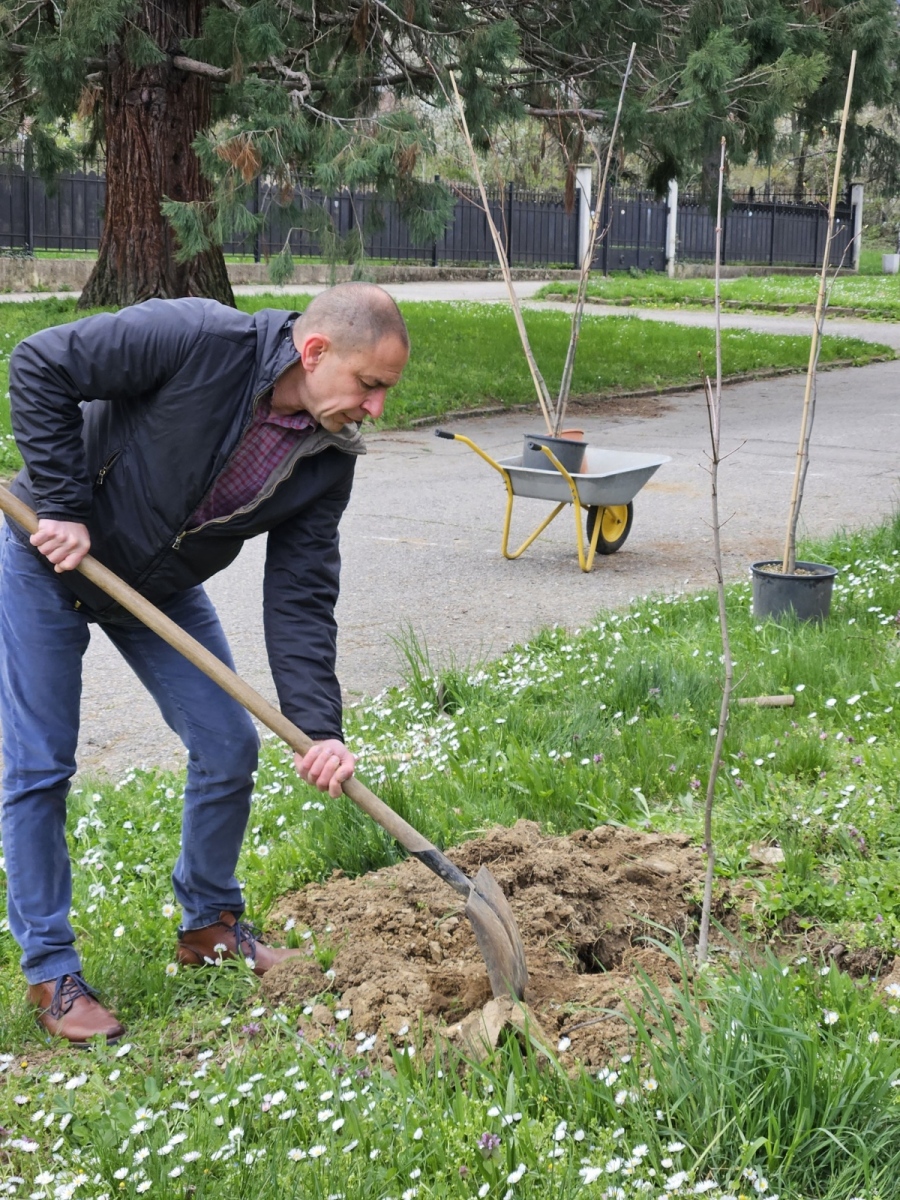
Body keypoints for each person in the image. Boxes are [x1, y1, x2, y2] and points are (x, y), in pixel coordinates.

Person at [0, 282, 410, 1047]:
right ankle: (52, 971)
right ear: (314, 352)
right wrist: (61, 504)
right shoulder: (196, 338)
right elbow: (39, 362)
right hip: (49, 558)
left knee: (229, 746)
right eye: (370, 386)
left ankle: (209, 927)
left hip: (154, 588)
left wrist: (318, 728)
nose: (376, 409)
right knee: (41, 765)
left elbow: (301, 594)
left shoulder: (326, 458)